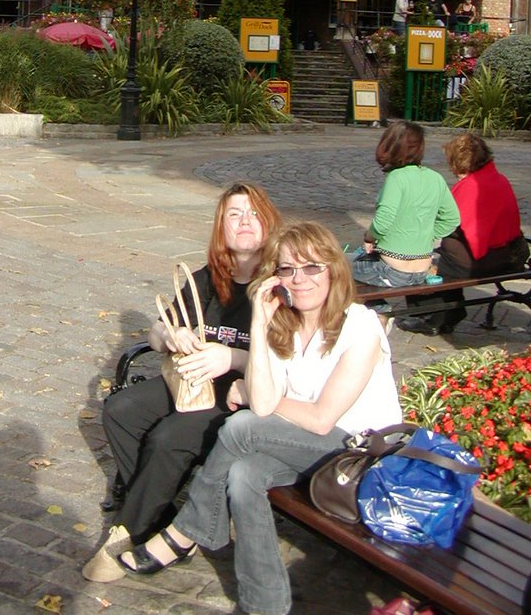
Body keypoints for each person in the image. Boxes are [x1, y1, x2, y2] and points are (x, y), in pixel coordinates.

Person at [117, 221, 402, 615]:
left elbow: (319, 419)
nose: (299, 279)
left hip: (359, 454)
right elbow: (267, 402)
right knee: (243, 474)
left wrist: (256, 396)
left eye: (311, 267)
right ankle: (263, 604)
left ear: (334, 270)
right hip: (304, 446)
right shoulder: (283, 324)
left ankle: (186, 531)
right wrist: (259, 321)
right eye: (287, 269)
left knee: (242, 426)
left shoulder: (361, 326)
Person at [82, 182, 282, 583]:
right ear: (220, 227)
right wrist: (168, 336)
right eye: (234, 214)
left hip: (243, 393)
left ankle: (127, 532)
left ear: (269, 223)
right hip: (191, 383)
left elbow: (289, 361)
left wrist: (231, 357)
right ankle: (170, 520)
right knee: (121, 410)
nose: (245, 222)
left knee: (168, 437)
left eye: (253, 214)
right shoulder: (208, 278)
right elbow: (158, 332)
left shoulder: (279, 282)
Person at [398, 133, 530, 336]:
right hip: (512, 254)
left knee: (421, 261)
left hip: (488, 260)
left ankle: (438, 315)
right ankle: (447, 312)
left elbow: (443, 223)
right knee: (445, 255)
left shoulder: (470, 187)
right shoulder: (498, 178)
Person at [352, 121, 459, 293]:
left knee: (341, 269)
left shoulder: (396, 178)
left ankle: (380, 313)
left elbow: (382, 223)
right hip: (422, 268)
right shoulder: (435, 178)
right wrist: (427, 235)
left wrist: (369, 237)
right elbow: (452, 218)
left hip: (392, 269)